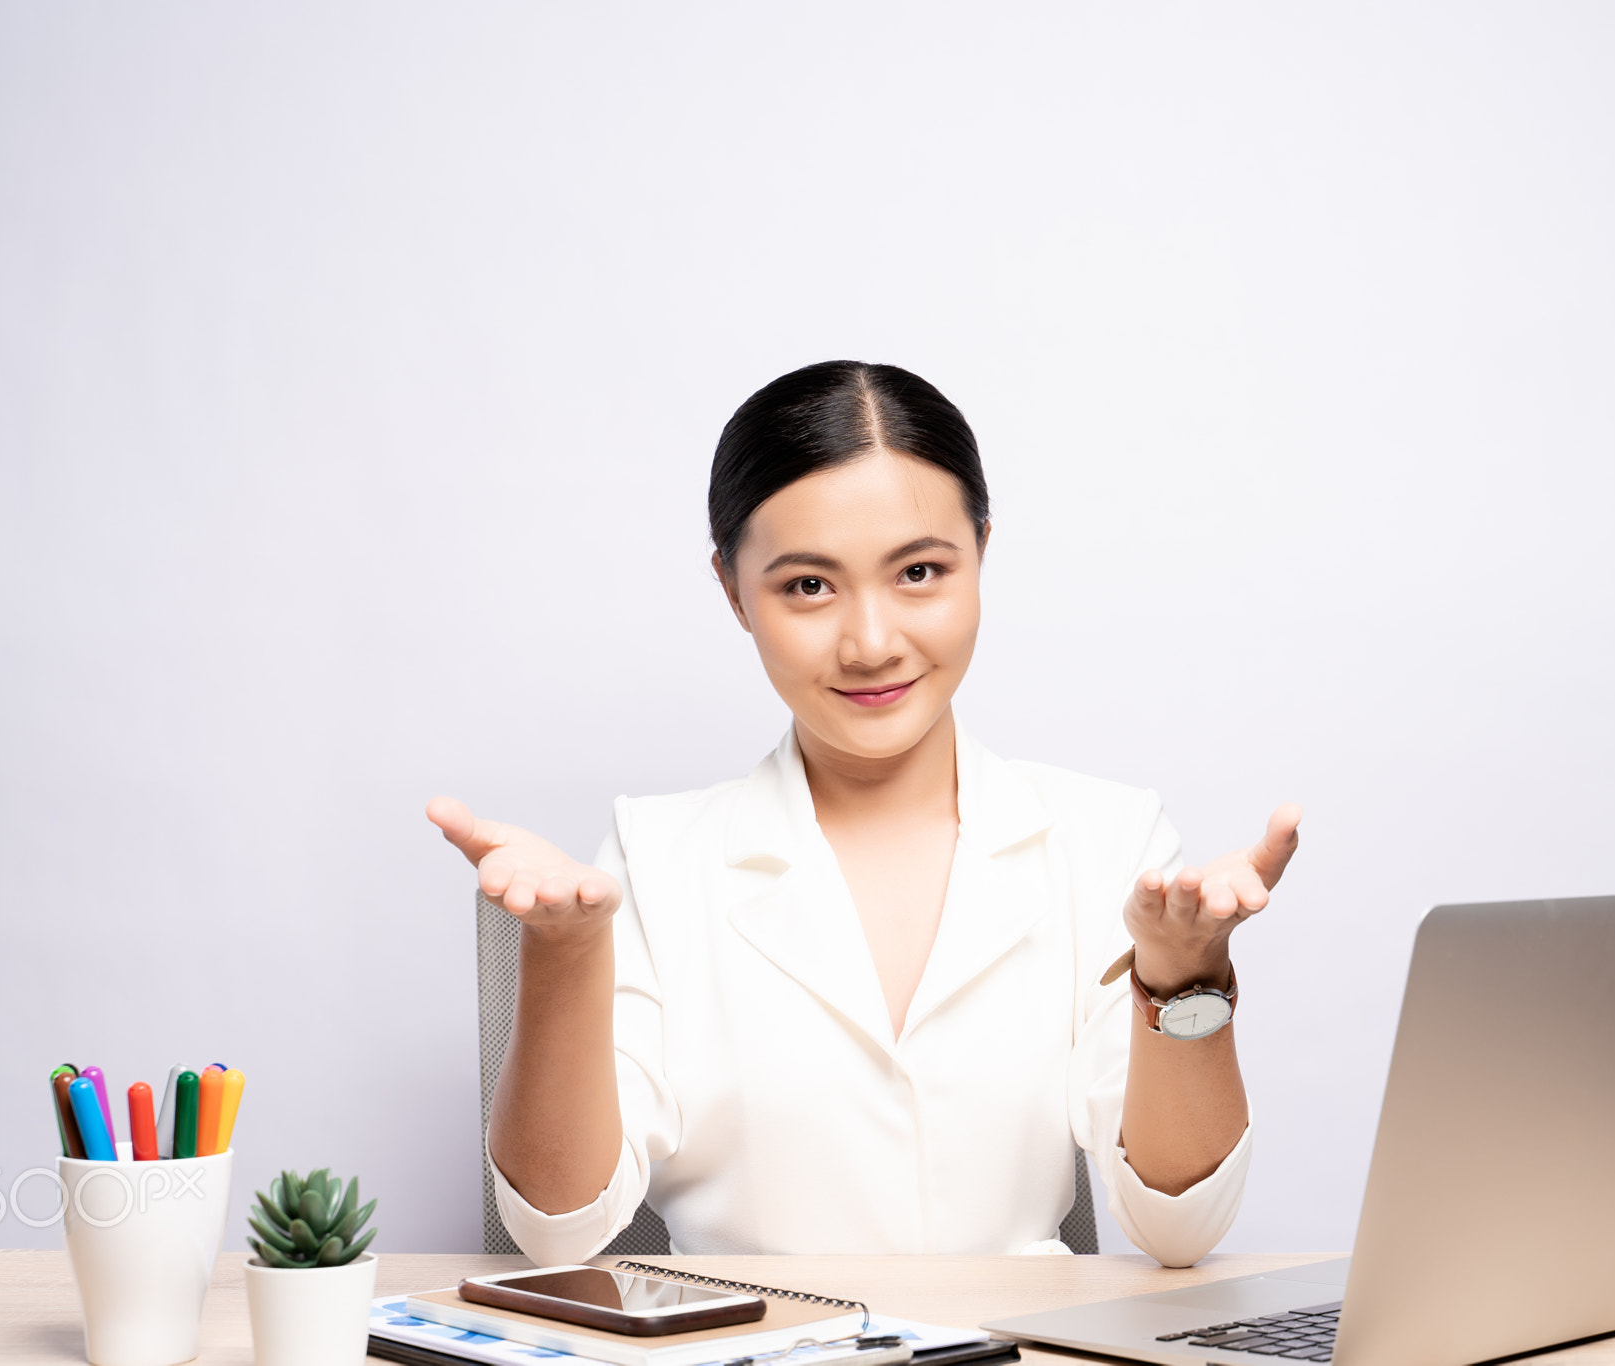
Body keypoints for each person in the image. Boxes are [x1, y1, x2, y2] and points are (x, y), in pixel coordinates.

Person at [427, 361, 1302, 1267]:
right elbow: (556, 1229)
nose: (873, 642)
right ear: (734, 592)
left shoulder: (1107, 839)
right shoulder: (655, 858)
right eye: (808, 586)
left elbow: (1180, 1228)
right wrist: (565, 952)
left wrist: (1185, 978)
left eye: (919, 571)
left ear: (982, 556)